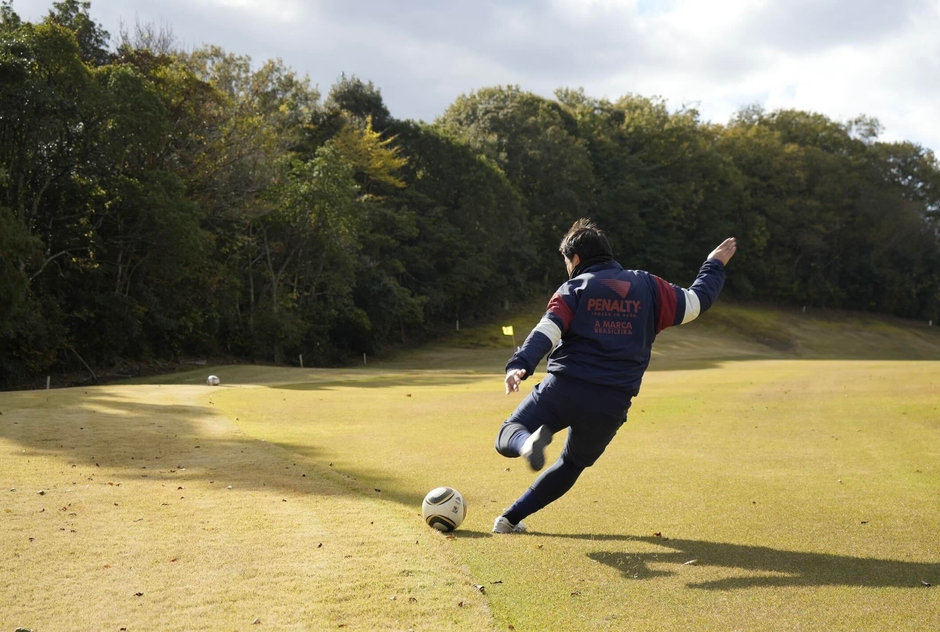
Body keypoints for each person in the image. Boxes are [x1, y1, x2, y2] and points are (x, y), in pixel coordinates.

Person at [492, 219, 737, 534]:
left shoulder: (575, 287)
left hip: (565, 389)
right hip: (612, 402)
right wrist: (713, 265)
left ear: (575, 259)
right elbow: (696, 302)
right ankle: (510, 519)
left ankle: (526, 445)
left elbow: (548, 330)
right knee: (572, 463)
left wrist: (520, 364)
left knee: (509, 432)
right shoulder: (649, 286)